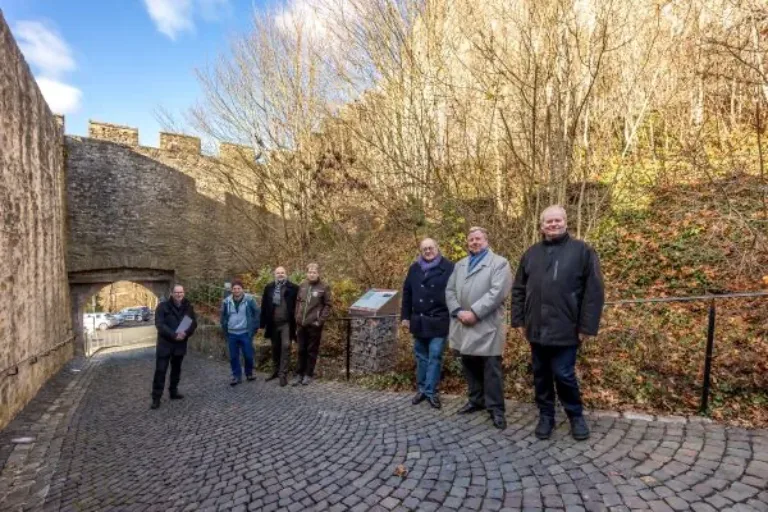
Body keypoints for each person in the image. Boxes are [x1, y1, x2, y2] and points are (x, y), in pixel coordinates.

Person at [511, 205, 605, 441]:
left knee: (563, 374)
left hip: (567, 327)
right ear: (541, 226)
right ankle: (546, 416)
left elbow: (594, 292)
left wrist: (587, 327)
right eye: (548, 222)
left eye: (557, 220)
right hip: (536, 327)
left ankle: (575, 416)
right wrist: (519, 320)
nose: (552, 225)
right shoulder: (531, 253)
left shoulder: (582, 251)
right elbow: (519, 289)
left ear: (565, 222)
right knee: (541, 375)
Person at [446, 227, 513, 429]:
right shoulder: (460, 265)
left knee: (491, 368)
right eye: (471, 239)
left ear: (486, 240)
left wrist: (474, 312)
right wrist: (457, 310)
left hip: (486, 325)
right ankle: (476, 400)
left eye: (478, 239)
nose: (474, 242)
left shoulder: (499, 263)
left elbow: (497, 292)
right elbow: (449, 290)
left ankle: (496, 409)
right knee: (469, 365)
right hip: (462, 323)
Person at [401, 238, 454, 409]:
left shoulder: (449, 267)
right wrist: (405, 317)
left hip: (439, 319)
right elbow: (407, 293)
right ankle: (422, 389)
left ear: (437, 248)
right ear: (420, 251)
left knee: (435, 355)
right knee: (421, 356)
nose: (428, 251)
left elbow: (455, 293)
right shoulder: (414, 268)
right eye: (424, 249)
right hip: (419, 320)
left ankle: (431, 391)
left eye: (431, 247)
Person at [151, 284, 197, 409]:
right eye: (176, 292)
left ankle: (173, 391)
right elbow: (159, 324)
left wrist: (185, 333)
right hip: (165, 343)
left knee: (176, 369)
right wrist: (173, 334)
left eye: (181, 292)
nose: (179, 294)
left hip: (180, 343)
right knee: (161, 371)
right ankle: (156, 397)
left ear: (184, 293)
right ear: (172, 293)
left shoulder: (188, 307)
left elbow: (193, 323)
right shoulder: (162, 306)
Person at [293, 263, 332, 386]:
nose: (312, 274)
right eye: (310, 272)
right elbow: (298, 303)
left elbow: (328, 305)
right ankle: (299, 373)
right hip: (301, 324)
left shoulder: (324, 287)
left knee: (311, 350)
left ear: (318, 273)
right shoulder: (303, 285)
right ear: (307, 273)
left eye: (314, 272)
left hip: (314, 324)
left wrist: (319, 321)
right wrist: (296, 317)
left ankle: (308, 374)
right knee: (301, 350)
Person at [260, 267, 299, 387]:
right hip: (273, 323)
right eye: (278, 273)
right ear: (274, 274)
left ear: (286, 274)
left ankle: (283, 374)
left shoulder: (293, 288)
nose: (280, 274)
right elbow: (264, 306)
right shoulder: (269, 287)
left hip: (287, 323)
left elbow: (298, 307)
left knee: (286, 346)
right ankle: (275, 371)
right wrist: (262, 324)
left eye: (282, 272)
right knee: (275, 348)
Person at [220, 279, 261, 386]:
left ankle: (249, 373)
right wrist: (224, 328)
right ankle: (236, 376)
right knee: (233, 356)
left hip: (245, 333)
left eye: (239, 288)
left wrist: (255, 327)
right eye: (234, 289)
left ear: (242, 289)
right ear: (231, 290)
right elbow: (223, 316)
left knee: (248, 355)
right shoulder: (226, 302)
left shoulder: (249, 300)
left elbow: (257, 313)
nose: (236, 290)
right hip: (232, 333)